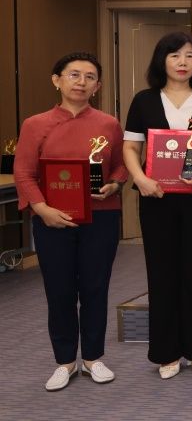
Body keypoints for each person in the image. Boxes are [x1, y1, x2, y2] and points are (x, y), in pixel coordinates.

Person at [15, 52, 127, 391]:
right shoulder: (35, 124)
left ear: (98, 86)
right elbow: (24, 173)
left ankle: (93, 358)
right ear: (57, 80)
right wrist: (42, 209)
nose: (81, 82)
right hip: (52, 220)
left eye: (90, 77)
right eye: (74, 74)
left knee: (95, 288)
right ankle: (64, 361)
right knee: (60, 291)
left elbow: (121, 165)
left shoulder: (108, 124)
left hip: (101, 217)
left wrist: (115, 184)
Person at [122, 32, 192, 379]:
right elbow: (130, 148)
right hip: (157, 198)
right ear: (161, 60)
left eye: (190, 55)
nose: (183, 62)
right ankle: (166, 353)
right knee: (161, 272)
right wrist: (140, 179)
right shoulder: (144, 100)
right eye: (175, 55)